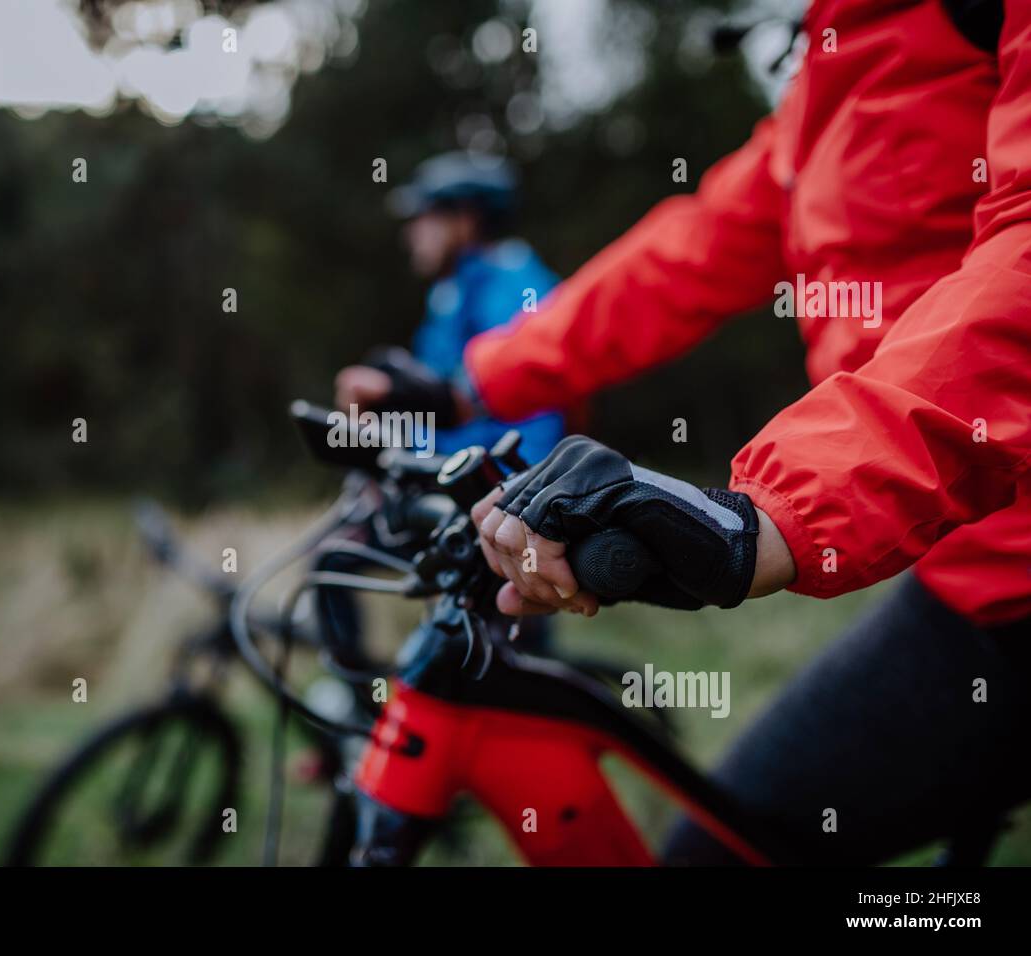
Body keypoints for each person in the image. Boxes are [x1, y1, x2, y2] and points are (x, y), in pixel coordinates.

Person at [409, 0, 1031, 864]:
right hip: (985, 574)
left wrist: (772, 511)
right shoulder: (836, 61)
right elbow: (686, 258)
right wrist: (467, 383)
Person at [334, 151, 566, 464]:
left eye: (424, 216)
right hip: (459, 463)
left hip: (507, 476)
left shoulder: (512, 281)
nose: (411, 233)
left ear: (465, 219)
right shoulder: (451, 291)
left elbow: (524, 409)